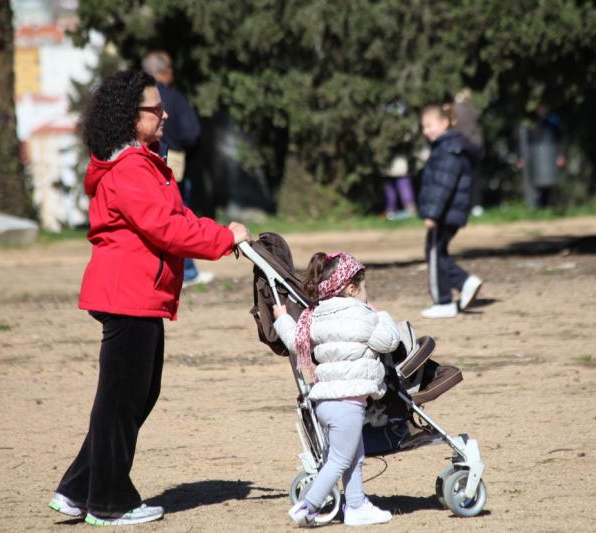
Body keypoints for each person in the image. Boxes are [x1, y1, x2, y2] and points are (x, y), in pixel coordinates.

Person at [47, 70, 250, 527]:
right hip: (128, 294)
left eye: (162, 107)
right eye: (154, 109)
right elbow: (167, 227)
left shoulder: (145, 162)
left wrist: (218, 231)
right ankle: (110, 501)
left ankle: (78, 489)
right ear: (128, 115)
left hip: (138, 294)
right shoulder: (132, 168)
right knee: (123, 400)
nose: (164, 115)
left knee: (131, 396)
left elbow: (176, 215)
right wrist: (224, 238)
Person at [272, 252, 398, 527]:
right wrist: (383, 315)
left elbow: (295, 342)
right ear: (351, 289)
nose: (366, 294)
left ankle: (356, 505)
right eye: (364, 288)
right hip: (349, 403)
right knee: (340, 459)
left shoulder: (315, 316)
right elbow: (388, 341)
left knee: (353, 455)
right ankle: (307, 507)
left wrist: (282, 317)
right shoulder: (363, 315)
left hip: (325, 403)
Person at [141, 51, 211, 288]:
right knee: (178, 214)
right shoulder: (175, 99)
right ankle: (188, 272)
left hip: (141, 160)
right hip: (173, 160)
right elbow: (192, 134)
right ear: (163, 71)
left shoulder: (137, 99)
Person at [418, 104, 484, 319]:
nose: (425, 130)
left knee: (434, 252)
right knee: (436, 251)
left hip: (444, 213)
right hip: (448, 212)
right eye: (423, 126)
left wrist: (433, 214)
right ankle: (462, 285)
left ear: (445, 122)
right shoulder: (446, 147)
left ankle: (447, 298)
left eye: (429, 125)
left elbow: (443, 185)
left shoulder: (449, 149)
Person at [517, 103, 566, 208]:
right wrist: (521, 157)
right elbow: (524, 144)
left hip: (549, 158)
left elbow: (561, 140)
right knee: (535, 183)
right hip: (535, 159)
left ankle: (550, 206)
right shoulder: (531, 124)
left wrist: (561, 155)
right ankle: (537, 206)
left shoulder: (554, 123)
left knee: (550, 184)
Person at [452, 89, 485, 217]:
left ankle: (463, 205)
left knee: (462, 176)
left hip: (462, 147)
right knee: (475, 176)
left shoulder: (456, 109)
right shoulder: (474, 109)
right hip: (476, 146)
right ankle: (476, 205)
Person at [382, 155, 417, 220]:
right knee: (399, 191)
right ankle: (390, 213)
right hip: (397, 167)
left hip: (396, 168)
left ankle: (390, 213)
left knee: (401, 191)